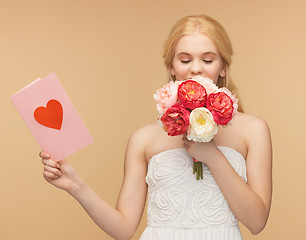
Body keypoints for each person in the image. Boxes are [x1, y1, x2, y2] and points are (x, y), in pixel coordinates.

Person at [40, 15, 272, 240]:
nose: (196, 69)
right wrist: (75, 185)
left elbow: (256, 222)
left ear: (222, 67)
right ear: (171, 67)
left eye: (208, 60)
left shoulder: (253, 130)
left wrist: (212, 156)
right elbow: (124, 229)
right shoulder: (143, 139)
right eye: (185, 59)